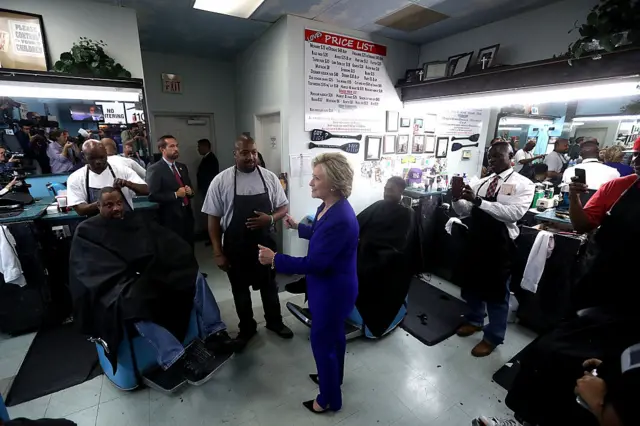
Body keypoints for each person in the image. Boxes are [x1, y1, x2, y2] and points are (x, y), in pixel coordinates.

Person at [69, 187, 235, 389]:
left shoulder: (135, 220)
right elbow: (92, 270)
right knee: (133, 302)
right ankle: (174, 357)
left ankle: (215, 330)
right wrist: (131, 277)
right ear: (98, 206)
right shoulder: (87, 231)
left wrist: (165, 264)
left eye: (119, 203)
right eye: (108, 205)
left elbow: (164, 243)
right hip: (115, 284)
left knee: (192, 274)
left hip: (149, 273)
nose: (115, 209)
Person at [258, 153, 358, 414]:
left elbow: (315, 264)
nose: (310, 183)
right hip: (332, 286)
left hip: (332, 291)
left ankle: (328, 399)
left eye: (316, 178)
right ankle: (333, 380)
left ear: (334, 183)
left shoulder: (340, 218)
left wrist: (275, 259)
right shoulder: (328, 206)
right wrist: (297, 227)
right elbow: (319, 233)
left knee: (323, 344)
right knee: (335, 338)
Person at [203, 135, 292, 347]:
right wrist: (217, 252)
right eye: (244, 152)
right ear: (235, 154)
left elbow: (283, 208)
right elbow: (213, 219)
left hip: (265, 244)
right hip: (236, 246)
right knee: (240, 290)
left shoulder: (269, 178)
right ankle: (247, 328)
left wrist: (269, 218)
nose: (250, 157)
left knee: (269, 286)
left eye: (253, 152)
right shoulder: (221, 181)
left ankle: (275, 322)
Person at [452, 141, 535, 357]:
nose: (493, 160)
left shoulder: (523, 184)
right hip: (477, 240)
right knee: (472, 285)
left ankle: (493, 336)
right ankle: (475, 320)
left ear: (511, 158)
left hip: (501, 245)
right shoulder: (481, 182)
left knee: (497, 293)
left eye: (498, 156)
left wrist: (479, 201)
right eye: (491, 156)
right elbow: (465, 211)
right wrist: (456, 198)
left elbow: (514, 213)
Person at [66, 140, 148, 217]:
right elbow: (80, 210)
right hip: (96, 227)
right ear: (83, 156)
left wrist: (128, 184)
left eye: (101, 157)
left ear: (106, 152)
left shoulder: (122, 171)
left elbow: (146, 190)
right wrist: (104, 203)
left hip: (125, 223)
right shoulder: (76, 178)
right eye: (92, 158)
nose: (98, 161)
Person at [146, 135, 196, 246]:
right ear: (162, 149)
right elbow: (152, 195)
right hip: (170, 219)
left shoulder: (182, 167)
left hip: (187, 215)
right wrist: (175, 194)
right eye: (172, 146)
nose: (176, 149)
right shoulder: (155, 169)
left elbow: (190, 190)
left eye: (177, 146)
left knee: (189, 246)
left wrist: (190, 192)